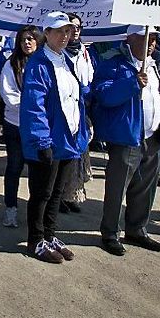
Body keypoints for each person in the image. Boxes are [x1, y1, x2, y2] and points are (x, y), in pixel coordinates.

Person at [92, 25, 160, 257]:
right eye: (147, 37)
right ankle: (110, 233)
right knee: (118, 188)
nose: (152, 43)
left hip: (153, 136)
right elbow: (104, 95)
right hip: (127, 136)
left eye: (155, 39)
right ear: (131, 39)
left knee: (146, 186)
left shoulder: (158, 65)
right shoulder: (113, 63)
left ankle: (137, 229)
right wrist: (133, 83)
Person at [20, 12, 88, 264]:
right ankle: (36, 240)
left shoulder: (66, 60)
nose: (64, 36)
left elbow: (75, 98)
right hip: (49, 141)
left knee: (57, 193)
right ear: (46, 33)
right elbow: (34, 106)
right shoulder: (38, 63)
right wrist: (41, 141)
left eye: (68, 31)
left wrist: (82, 133)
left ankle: (50, 234)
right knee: (42, 193)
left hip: (68, 140)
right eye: (59, 31)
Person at [0, 25, 42, 228]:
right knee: (14, 167)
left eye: (31, 39)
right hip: (15, 124)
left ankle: (36, 214)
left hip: (39, 128)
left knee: (38, 172)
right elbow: (9, 95)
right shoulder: (11, 64)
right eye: (23, 39)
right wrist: (31, 109)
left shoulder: (45, 63)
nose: (27, 43)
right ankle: (10, 209)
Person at [61, 13, 95, 213]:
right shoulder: (58, 51)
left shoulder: (83, 51)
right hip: (65, 110)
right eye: (71, 27)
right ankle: (59, 198)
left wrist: (87, 89)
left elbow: (89, 75)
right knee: (65, 156)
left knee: (78, 156)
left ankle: (71, 194)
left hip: (81, 109)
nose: (75, 30)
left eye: (78, 27)